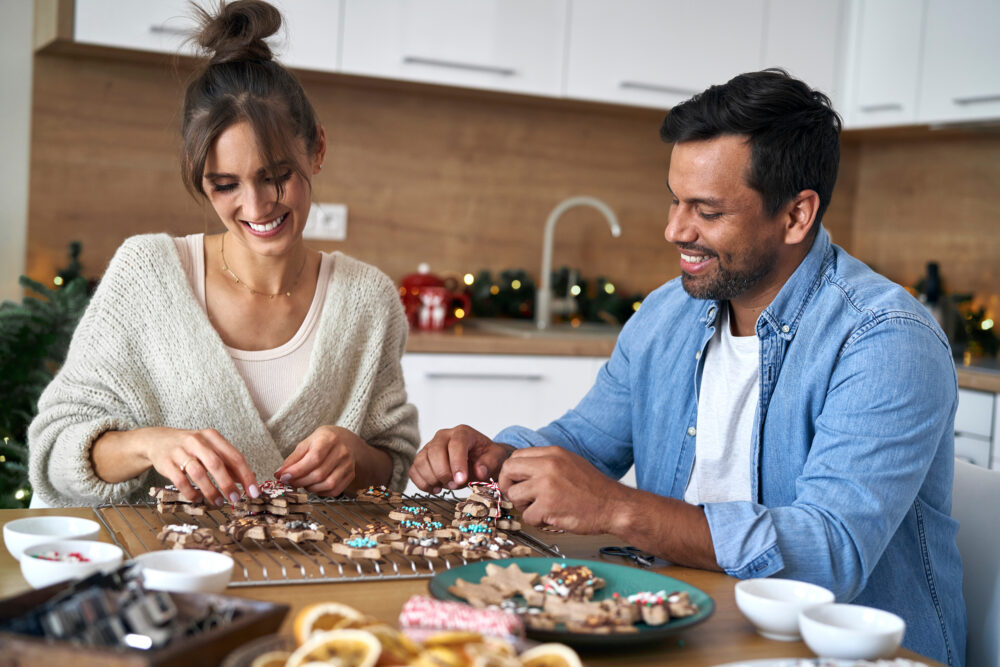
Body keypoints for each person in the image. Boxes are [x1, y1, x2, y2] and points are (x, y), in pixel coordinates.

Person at [409, 69, 965, 665]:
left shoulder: (886, 340)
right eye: (676, 200)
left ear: (797, 215)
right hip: (685, 623)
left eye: (707, 210)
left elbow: (829, 552)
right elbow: (584, 443)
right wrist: (497, 455)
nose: (675, 229)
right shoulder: (670, 311)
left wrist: (619, 509)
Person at [29, 0, 418, 508]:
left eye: (276, 176)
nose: (256, 206)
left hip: (312, 574)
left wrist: (357, 457)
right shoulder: (147, 273)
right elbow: (53, 449)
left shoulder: (367, 299)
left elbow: (393, 462)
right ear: (199, 176)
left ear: (317, 149)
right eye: (225, 184)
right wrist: (148, 443)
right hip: (160, 572)